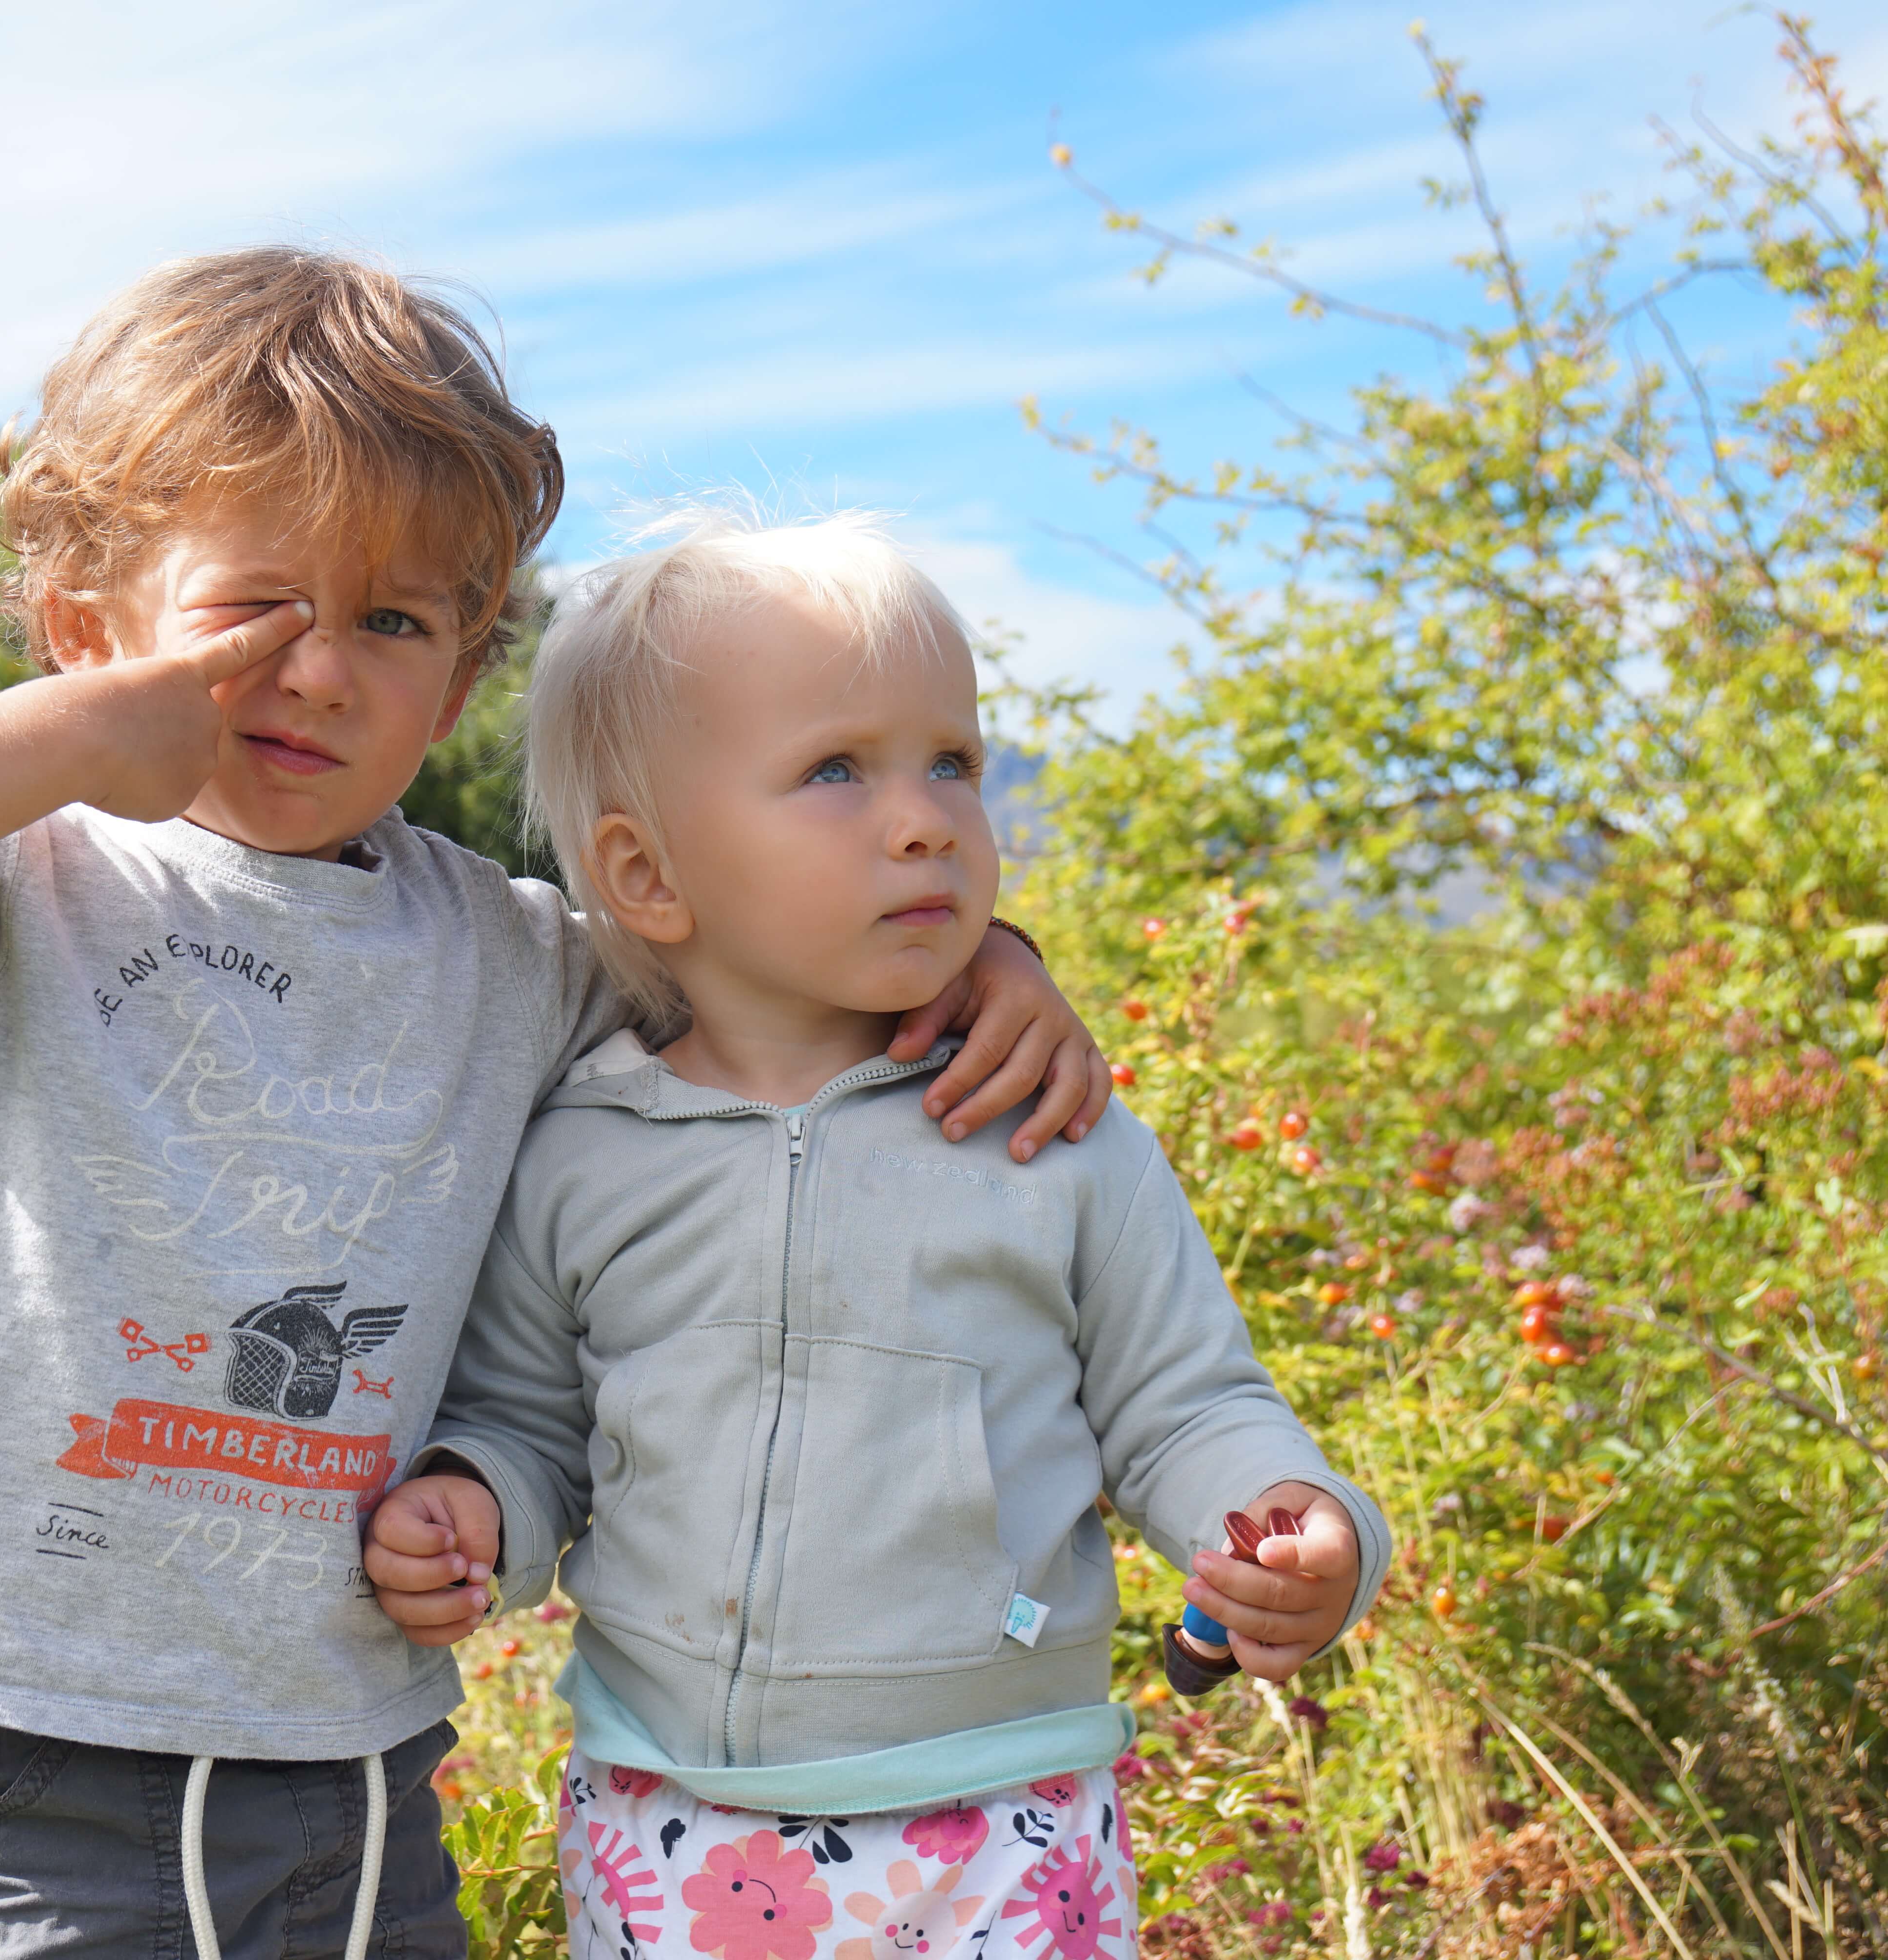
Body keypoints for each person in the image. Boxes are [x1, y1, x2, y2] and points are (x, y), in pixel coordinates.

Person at [0, 254, 1114, 1960]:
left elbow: (777, 979)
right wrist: (61, 738)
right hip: (32, 1741)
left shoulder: (514, 955)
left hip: (357, 1753)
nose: (322, 673)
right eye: (254, 613)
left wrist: (981, 956)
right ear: (87, 627)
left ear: (466, 672)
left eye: (393, 622)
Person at [363, 511, 1389, 1960]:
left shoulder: (1050, 1130)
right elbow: (532, 1422)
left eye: (953, 763)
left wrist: (1296, 1523)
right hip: (671, 1819)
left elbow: (1186, 1403)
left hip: (1004, 1821)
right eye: (836, 770)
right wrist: (473, 1504)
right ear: (648, 875)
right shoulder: (581, 1153)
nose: (924, 818)